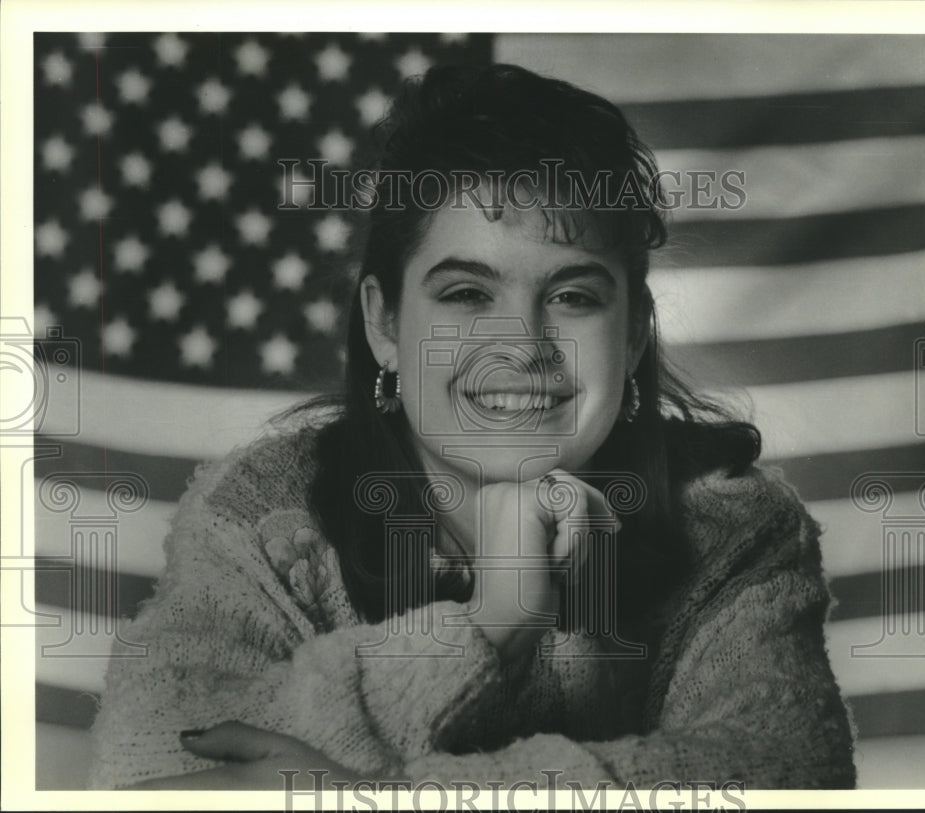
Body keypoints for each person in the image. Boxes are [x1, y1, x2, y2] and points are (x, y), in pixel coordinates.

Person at [88, 63, 857, 791]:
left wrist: (362, 796)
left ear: (632, 338)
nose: (520, 347)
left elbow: (786, 773)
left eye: (573, 296)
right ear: (384, 323)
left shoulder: (733, 528)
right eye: (464, 294)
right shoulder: (263, 515)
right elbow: (151, 777)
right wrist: (487, 626)